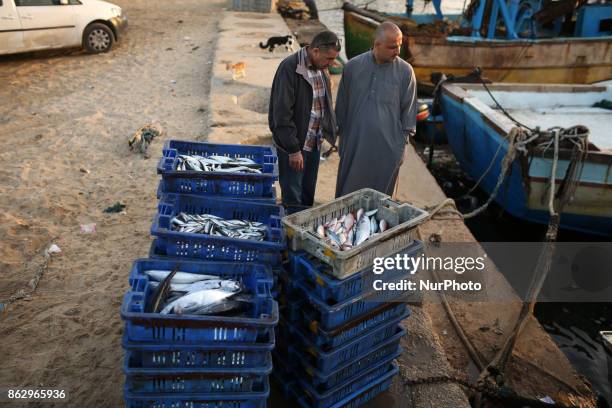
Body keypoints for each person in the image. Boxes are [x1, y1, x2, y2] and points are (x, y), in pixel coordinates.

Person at [335, 21, 417, 197]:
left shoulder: (405, 72)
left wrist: (400, 149)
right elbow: (341, 106)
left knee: (379, 202)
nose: (398, 51)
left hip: (387, 150)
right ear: (377, 44)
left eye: (399, 46)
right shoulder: (352, 67)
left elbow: (408, 114)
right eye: (392, 47)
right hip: (355, 144)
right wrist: (340, 139)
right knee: (347, 197)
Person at [268, 31, 340, 213]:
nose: (331, 64)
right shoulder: (290, 68)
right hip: (294, 147)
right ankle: (290, 238)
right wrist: (293, 150)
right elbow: (281, 115)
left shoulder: (322, 70)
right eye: (329, 59)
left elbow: (322, 105)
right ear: (315, 51)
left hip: (314, 144)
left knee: (307, 196)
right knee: (292, 198)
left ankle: (302, 235)